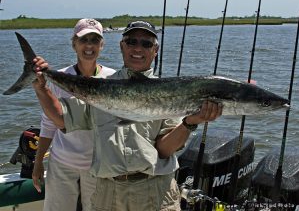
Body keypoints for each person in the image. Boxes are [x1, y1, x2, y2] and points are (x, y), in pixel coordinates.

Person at [32, 20, 222, 211]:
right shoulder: (102, 87)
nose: (138, 48)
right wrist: (42, 89)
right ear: (122, 47)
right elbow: (61, 119)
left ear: (155, 50)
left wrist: (189, 123)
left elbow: (164, 150)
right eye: (132, 42)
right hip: (108, 193)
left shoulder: (171, 91)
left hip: (157, 191)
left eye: (146, 43)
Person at [32, 18, 115, 211]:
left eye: (94, 40)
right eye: (83, 40)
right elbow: (49, 123)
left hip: (99, 166)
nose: (89, 45)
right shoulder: (60, 76)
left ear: (101, 45)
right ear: (74, 44)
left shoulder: (114, 78)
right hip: (62, 162)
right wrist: (37, 162)